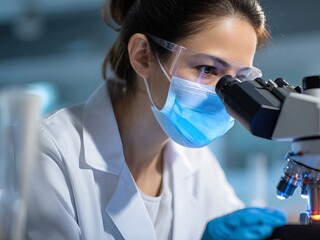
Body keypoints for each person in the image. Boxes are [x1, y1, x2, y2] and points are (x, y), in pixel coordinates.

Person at [26, 0, 287, 239]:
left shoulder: (198, 163)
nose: (225, 94)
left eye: (240, 79)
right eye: (207, 69)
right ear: (142, 56)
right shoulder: (47, 152)